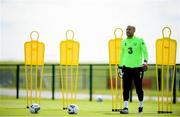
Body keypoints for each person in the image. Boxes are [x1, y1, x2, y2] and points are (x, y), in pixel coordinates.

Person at [118, 25, 148, 114]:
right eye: (126, 29)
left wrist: (145, 62)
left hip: (137, 68)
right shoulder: (123, 42)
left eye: (129, 29)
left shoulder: (139, 40)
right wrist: (120, 67)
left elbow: (145, 51)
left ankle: (141, 105)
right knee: (125, 88)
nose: (127, 31)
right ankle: (126, 108)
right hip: (126, 68)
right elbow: (122, 55)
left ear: (134, 30)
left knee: (138, 88)